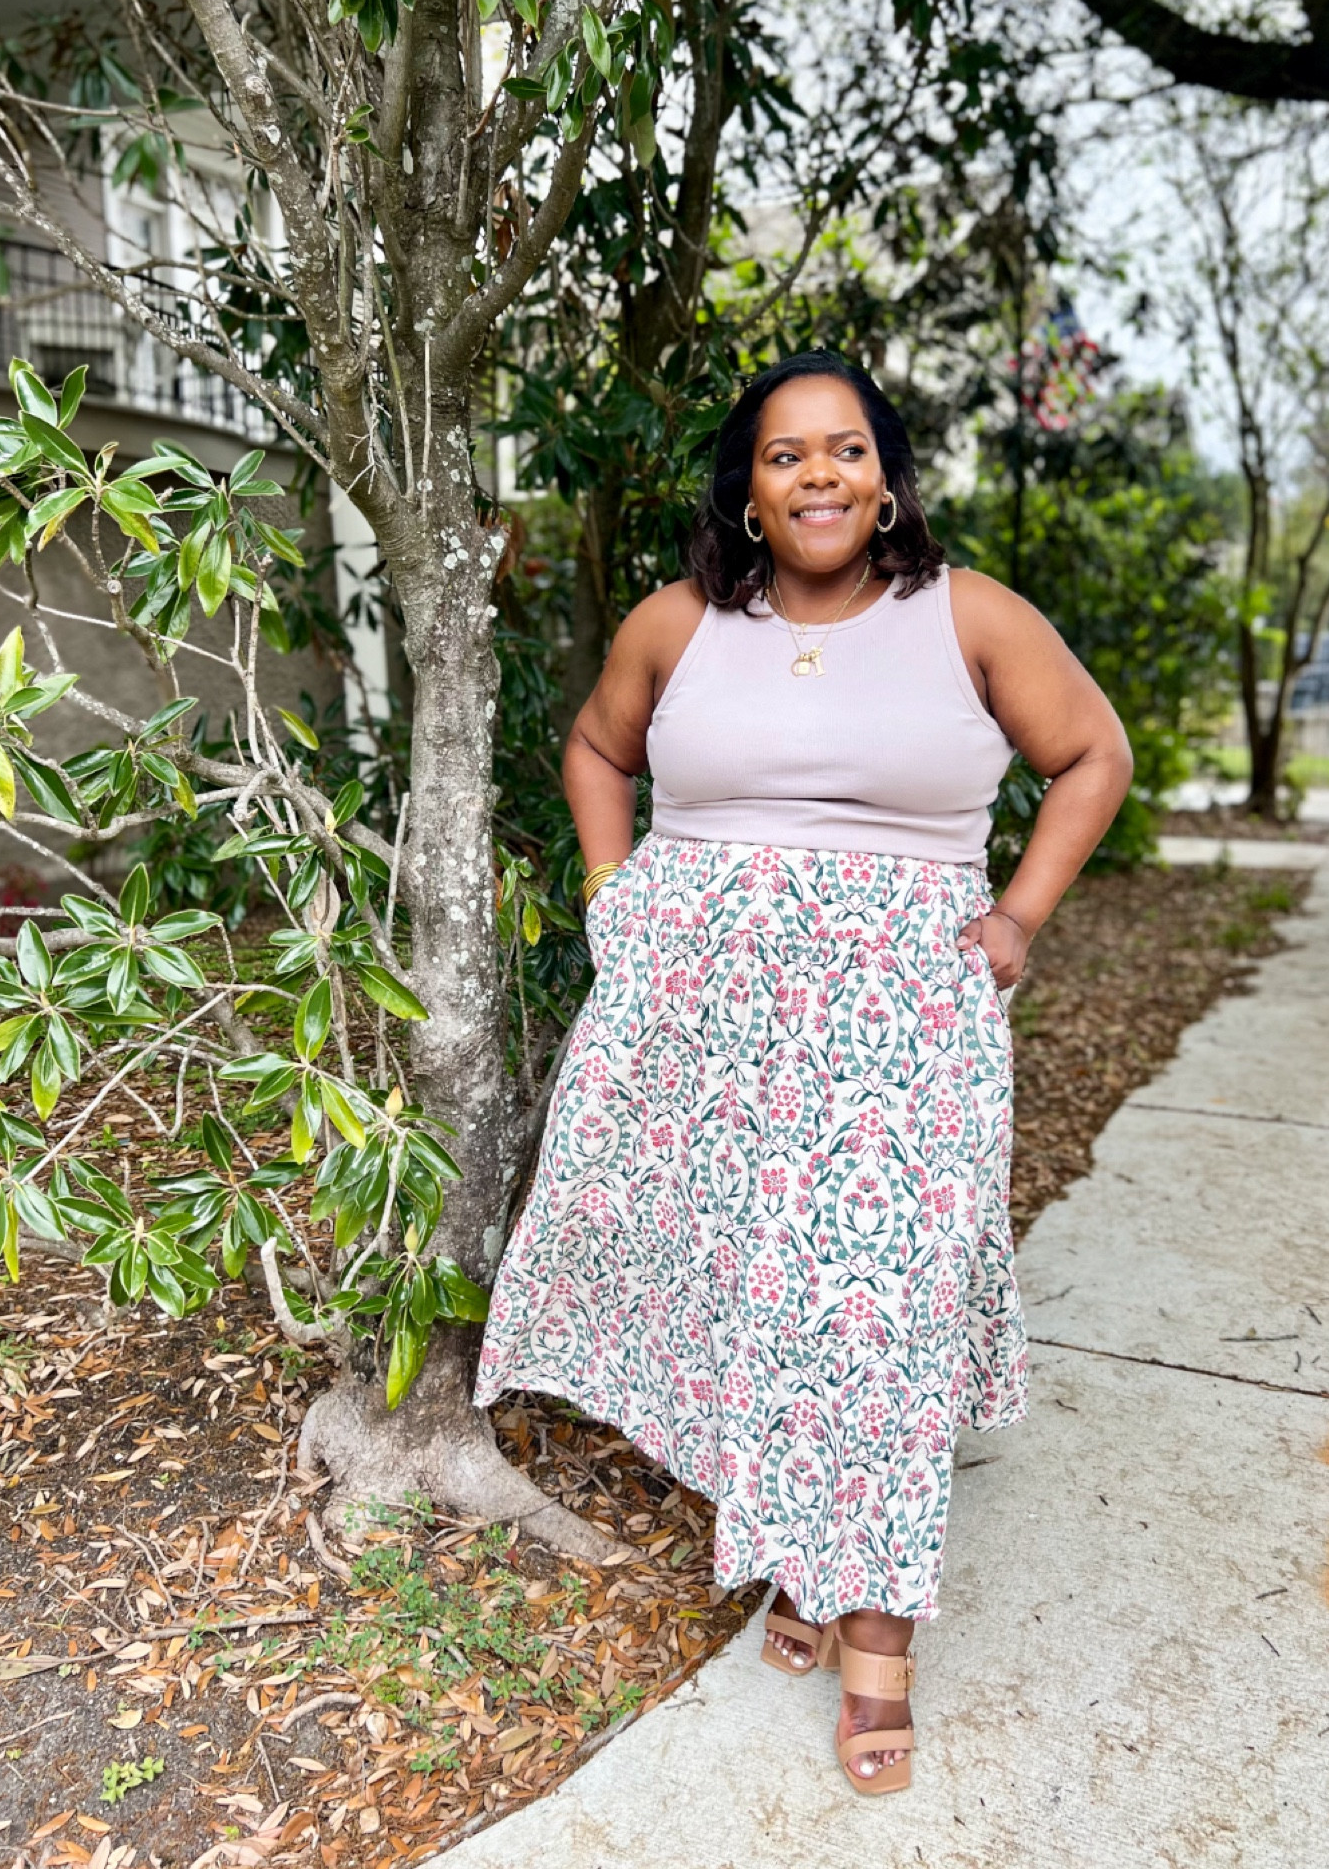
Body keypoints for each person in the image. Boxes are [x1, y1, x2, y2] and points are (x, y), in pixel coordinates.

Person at [475, 351, 1133, 1795]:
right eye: (786, 456)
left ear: (886, 476)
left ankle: (877, 1639)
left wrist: (1017, 914)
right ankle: (797, 1560)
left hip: (902, 1024)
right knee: (755, 1298)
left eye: (846, 449)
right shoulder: (680, 623)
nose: (819, 474)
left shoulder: (968, 617)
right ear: (750, 490)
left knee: (878, 1319)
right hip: (704, 1026)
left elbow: (1095, 755)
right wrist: (614, 897)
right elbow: (597, 748)